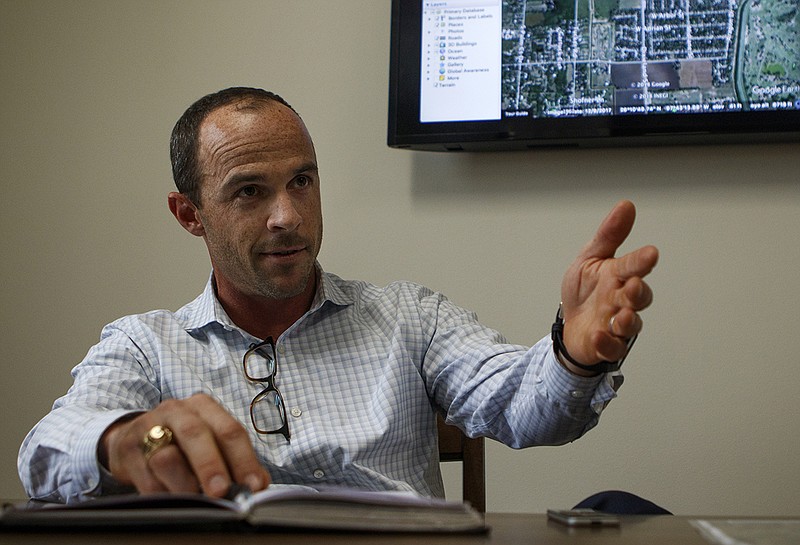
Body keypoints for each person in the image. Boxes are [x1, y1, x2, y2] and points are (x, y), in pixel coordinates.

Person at [18, 87, 659, 504]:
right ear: (189, 214)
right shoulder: (145, 345)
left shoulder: (409, 317)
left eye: (302, 181)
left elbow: (526, 408)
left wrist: (573, 354)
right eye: (249, 192)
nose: (288, 216)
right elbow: (45, 453)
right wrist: (127, 439)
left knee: (619, 511)